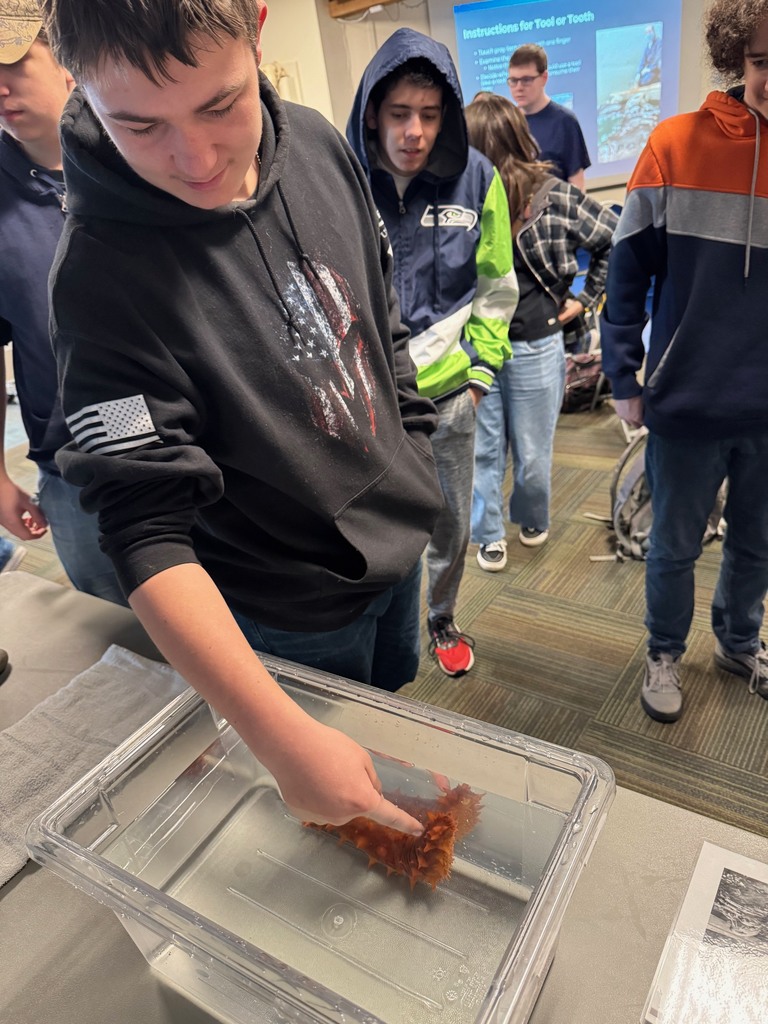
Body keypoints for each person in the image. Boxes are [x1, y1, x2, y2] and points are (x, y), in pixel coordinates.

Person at [40, 0, 444, 833]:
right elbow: (144, 528)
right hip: (279, 604)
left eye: (221, 104)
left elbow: (376, 314)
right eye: (139, 125)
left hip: (396, 547)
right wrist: (277, 736)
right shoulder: (97, 277)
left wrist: (417, 451)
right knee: (327, 812)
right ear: (82, 84)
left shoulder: (319, 141)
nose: (193, 159)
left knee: (390, 727)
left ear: (257, 29)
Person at [601, 0, 768, 723]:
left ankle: (738, 642)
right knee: (672, 548)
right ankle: (664, 652)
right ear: (738, 58)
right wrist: (622, 377)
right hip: (687, 400)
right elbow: (626, 272)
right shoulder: (673, 144)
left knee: (757, 547)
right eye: (765, 63)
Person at [347, 29, 518, 677]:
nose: (414, 132)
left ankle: (441, 617)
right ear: (372, 112)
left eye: (429, 114)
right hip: (367, 402)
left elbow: (498, 288)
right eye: (399, 114)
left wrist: (477, 377)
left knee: (449, 526)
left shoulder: (477, 180)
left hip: (450, 398)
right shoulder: (344, 179)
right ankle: (375, 623)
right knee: (372, 525)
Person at [0, 0, 124, 604]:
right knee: (117, 646)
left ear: (68, 65)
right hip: (72, 474)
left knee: (231, 642)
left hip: (187, 454)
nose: (0, 85)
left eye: (15, 62)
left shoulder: (135, 154)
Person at [465, 93, 617, 568]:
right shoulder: (459, 197)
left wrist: (585, 299)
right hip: (476, 346)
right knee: (483, 450)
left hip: (536, 343)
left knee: (532, 454)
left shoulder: (551, 196)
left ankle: (531, 514)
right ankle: (487, 530)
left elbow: (615, 237)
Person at [507, 43, 591, 190]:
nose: (519, 87)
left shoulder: (565, 122)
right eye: (513, 81)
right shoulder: (507, 122)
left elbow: (577, 186)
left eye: (526, 80)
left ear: (544, 78)